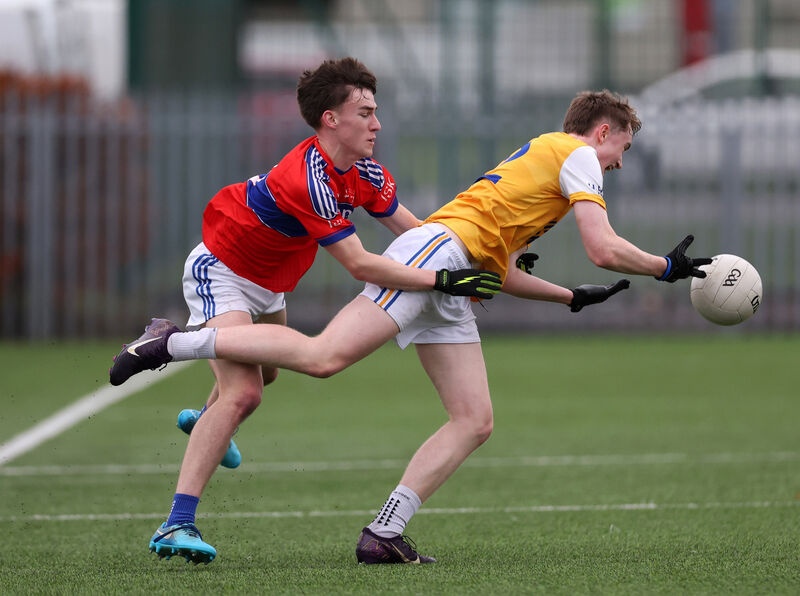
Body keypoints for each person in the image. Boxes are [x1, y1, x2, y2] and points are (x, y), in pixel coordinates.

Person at [110, 90, 711, 564]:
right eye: (620, 148)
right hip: (435, 259)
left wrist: (570, 298)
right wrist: (666, 268)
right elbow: (602, 246)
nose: (618, 162)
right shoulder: (578, 155)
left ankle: (384, 532)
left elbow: (492, 269)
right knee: (323, 358)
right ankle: (174, 341)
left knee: (474, 419)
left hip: (451, 264)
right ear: (601, 131)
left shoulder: (548, 159)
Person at [109, 57, 502, 565]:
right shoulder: (309, 178)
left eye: (376, 111)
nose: (377, 123)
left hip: (269, 284)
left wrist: (467, 259)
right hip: (222, 270)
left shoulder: (364, 172)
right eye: (364, 112)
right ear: (329, 120)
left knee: (266, 377)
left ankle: (206, 418)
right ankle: (176, 520)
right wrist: (443, 279)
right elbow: (361, 265)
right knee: (244, 392)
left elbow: (416, 232)